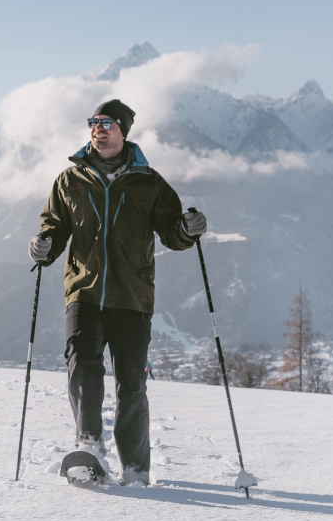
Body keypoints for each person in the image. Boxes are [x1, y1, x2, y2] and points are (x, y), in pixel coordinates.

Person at [29, 99, 206, 485]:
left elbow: (172, 232)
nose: (98, 128)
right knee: (82, 364)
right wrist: (43, 246)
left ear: (124, 130)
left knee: (131, 382)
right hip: (84, 291)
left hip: (132, 295)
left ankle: (135, 468)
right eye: (94, 122)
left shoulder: (149, 182)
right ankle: (89, 445)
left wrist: (187, 229)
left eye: (107, 122)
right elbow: (54, 227)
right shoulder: (70, 180)